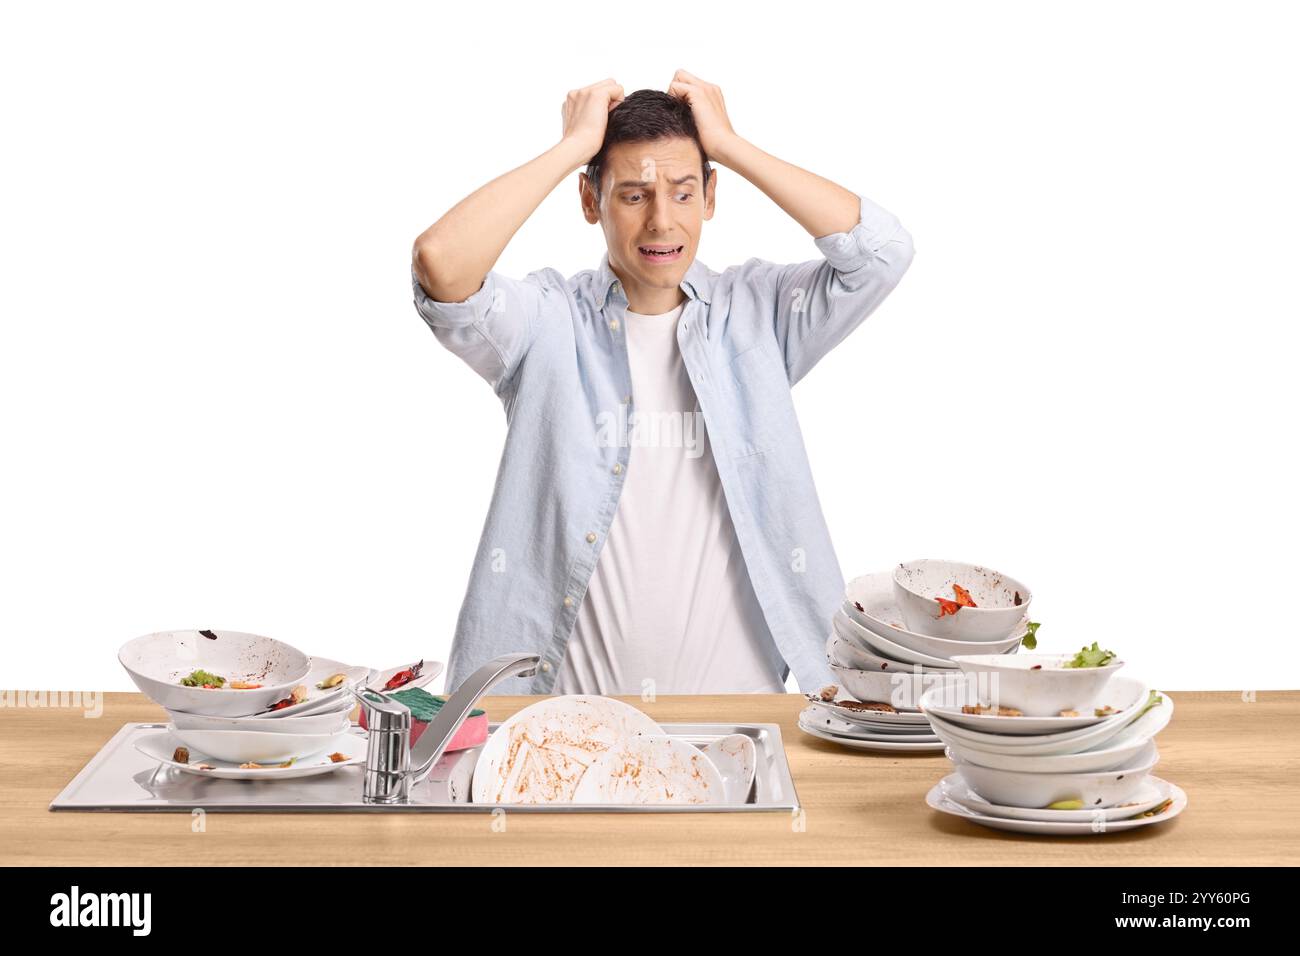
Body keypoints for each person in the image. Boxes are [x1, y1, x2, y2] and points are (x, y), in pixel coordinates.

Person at [411, 70, 914, 696]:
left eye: (682, 193)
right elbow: (441, 265)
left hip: (745, 723)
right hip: (567, 732)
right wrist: (573, 146)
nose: (661, 222)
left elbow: (882, 253)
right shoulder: (547, 323)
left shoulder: (758, 314)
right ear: (590, 201)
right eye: (632, 195)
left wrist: (728, 144)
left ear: (709, 197)